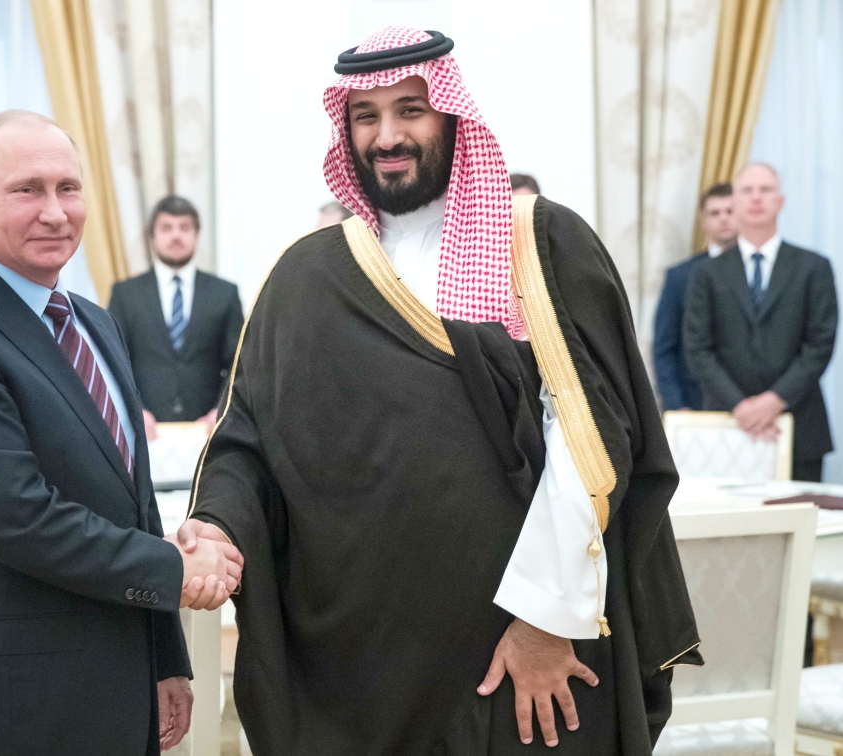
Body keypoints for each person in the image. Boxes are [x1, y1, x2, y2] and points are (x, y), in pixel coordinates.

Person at [178, 27, 700, 755]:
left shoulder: (540, 243)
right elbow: (250, 442)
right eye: (367, 116)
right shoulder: (306, 276)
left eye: (410, 110)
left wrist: (546, 620)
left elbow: (588, 436)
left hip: (518, 655)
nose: (387, 135)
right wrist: (219, 527)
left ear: (452, 116)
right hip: (363, 667)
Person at [0, 110, 242, 756]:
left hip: (115, 686)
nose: (55, 211)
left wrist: (165, 658)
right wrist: (175, 568)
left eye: (69, 188)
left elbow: (131, 503)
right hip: (7, 705)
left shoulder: (94, 323)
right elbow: (14, 515)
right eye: (27, 190)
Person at [685, 162, 838, 481]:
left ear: (780, 202)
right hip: (727, 425)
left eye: (765, 190)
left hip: (800, 426)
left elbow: (820, 344)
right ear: (735, 202)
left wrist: (773, 401)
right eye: (747, 191)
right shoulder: (706, 274)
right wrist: (741, 407)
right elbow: (698, 348)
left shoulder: (814, 267)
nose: (756, 198)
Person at [109, 196, 243, 438]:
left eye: (184, 228)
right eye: (166, 228)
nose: (176, 236)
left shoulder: (225, 293)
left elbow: (239, 363)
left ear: (196, 234)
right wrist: (134, 409)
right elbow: (114, 360)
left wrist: (221, 410)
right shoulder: (125, 294)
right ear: (153, 236)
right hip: (143, 431)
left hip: (209, 432)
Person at [653, 182, 736, 410]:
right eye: (715, 213)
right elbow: (664, 347)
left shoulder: (758, 272)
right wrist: (675, 405)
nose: (724, 219)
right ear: (703, 220)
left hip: (750, 407)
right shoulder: (680, 276)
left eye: (730, 211)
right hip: (694, 403)